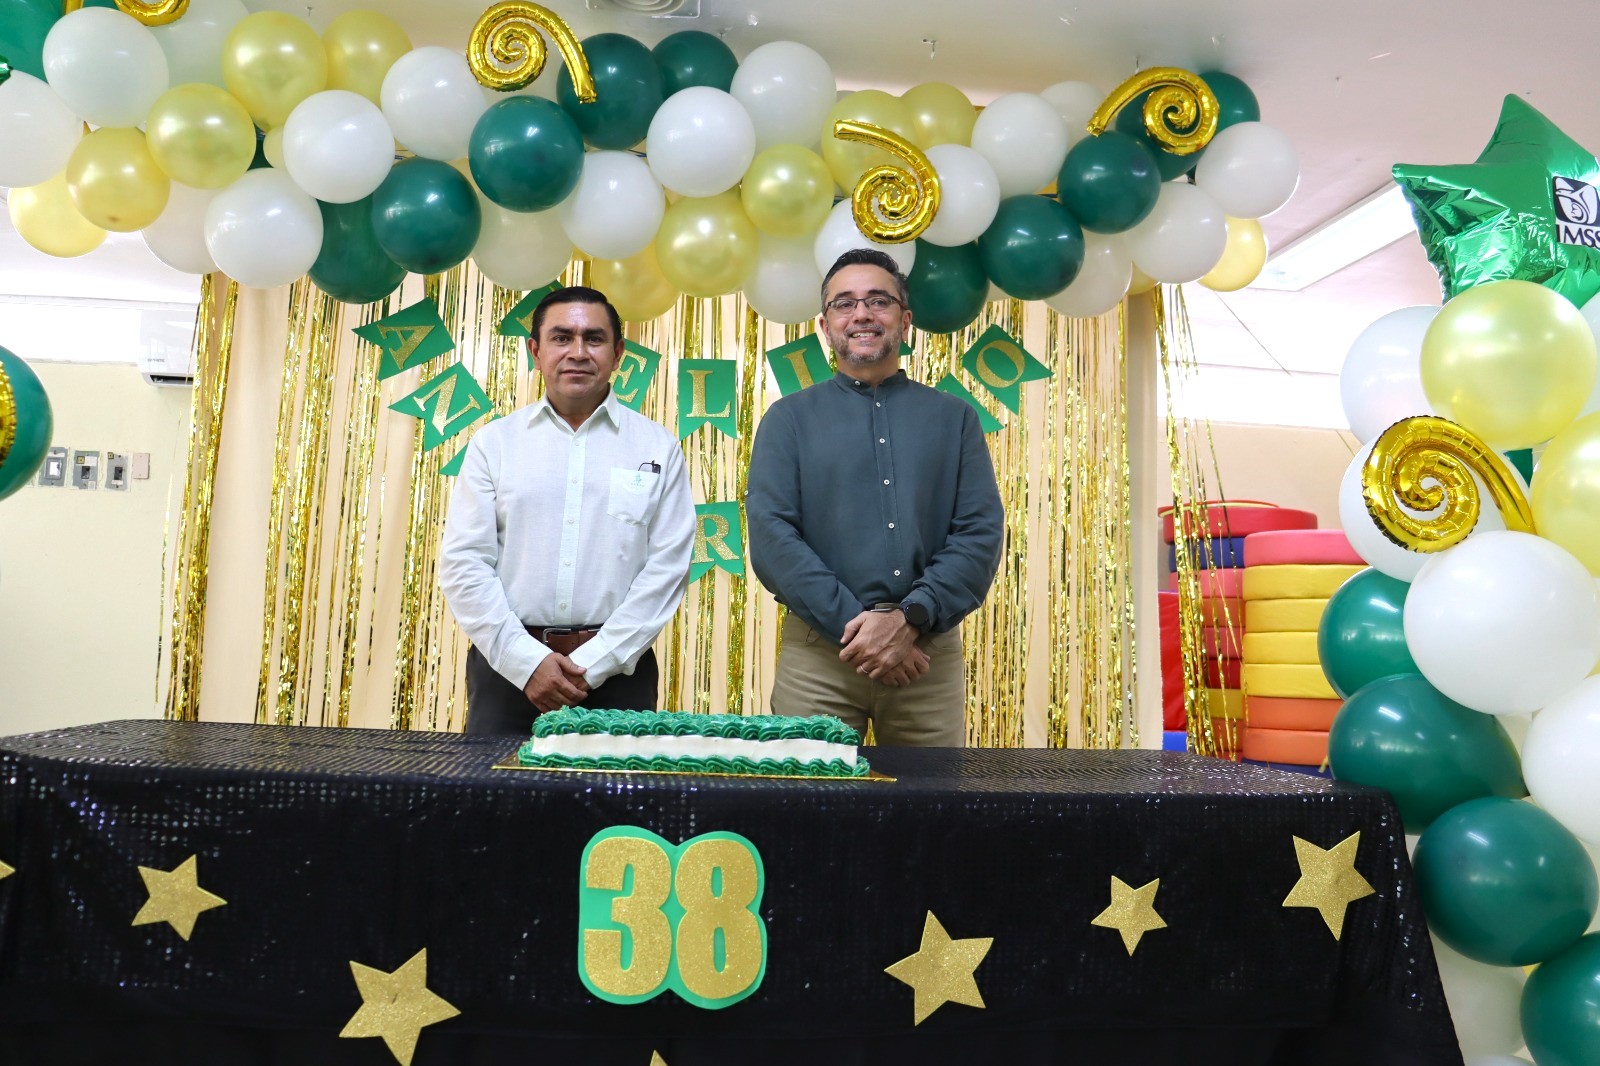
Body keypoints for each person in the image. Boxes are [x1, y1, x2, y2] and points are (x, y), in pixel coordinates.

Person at [746, 249, 1004, 746]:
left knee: (931, 796)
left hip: (925, 656)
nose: (861, 314)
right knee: (809, 793)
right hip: (818, 656)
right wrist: (860, 629)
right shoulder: (787, 420)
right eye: (844, 303)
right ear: (825, 326)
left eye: (878, 301)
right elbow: (773, 538)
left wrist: (910, 619)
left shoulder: (954, 419)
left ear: (905, 321)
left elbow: (980, 534)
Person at [440, 285, 695, 735]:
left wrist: (592, 664)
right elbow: (465, 563)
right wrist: (527, 663)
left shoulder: (657, 447)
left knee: (615, 786)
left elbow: (667, 569)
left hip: (619, 677)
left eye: (593, 339)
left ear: (618, 353)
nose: (578, 352)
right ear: (535, 351)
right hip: (507, 672)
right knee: (494, 784)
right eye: (561, 338)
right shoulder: (494, 445)